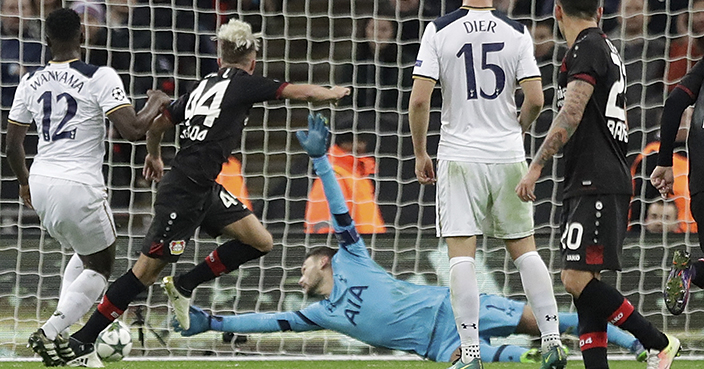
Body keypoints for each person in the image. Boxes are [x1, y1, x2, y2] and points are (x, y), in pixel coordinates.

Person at [47, 18, 350, 368]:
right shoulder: (244, 84)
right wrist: (333, 93)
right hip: (183, 194)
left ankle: (186, 284)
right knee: (143, 274)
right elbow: (300, 92)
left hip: (201, 187)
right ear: (251, 59)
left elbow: (160, 121)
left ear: (219, 59)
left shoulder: (204, 84)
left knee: (260, 241)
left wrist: (155, 154)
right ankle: (82, 340)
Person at [515, 1, 680, 369]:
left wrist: (536, 166)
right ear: (601, 10)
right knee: (586, 289)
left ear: (557, 11)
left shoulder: (587, 47)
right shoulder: (604, 46)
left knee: (573, 278)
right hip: (591, 178)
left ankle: (659, 340)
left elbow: (571, 112)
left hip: (596, 179)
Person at [4, 7, 170, 367]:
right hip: (78, 183)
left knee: (83, 255)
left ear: (46, 40)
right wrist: (156, 100)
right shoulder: (100, 76)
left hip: (41, 182)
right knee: (102, 264)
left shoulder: (30, 81)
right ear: (82, 36)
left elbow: (12, 144)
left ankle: (76, 351)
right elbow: (134, 130)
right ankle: (51, 332)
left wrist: (23, 183)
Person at [409, 1, 565, 368]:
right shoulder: (517, 31)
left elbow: (419, 100)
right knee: (525, 249)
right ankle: (553, 340)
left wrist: (420, 152)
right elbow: (537, 99)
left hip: (459, 154)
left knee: (461, 253)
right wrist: (515, 131)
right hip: (508, 154)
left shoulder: (439, 29)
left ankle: (472, 353)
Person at [651, 57, 704, 316]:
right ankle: (691, 270)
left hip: (700, 185)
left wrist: (665, 162)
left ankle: (690, 270)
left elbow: (673, 103)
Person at [305, 132, 385, 234]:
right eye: (350, 142)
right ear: (339, 144)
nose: (357, 146)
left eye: (361, 141)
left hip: (369, 244)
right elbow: (323, 222)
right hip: (353, 246)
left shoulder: (360, 175)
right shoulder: (333, 175)